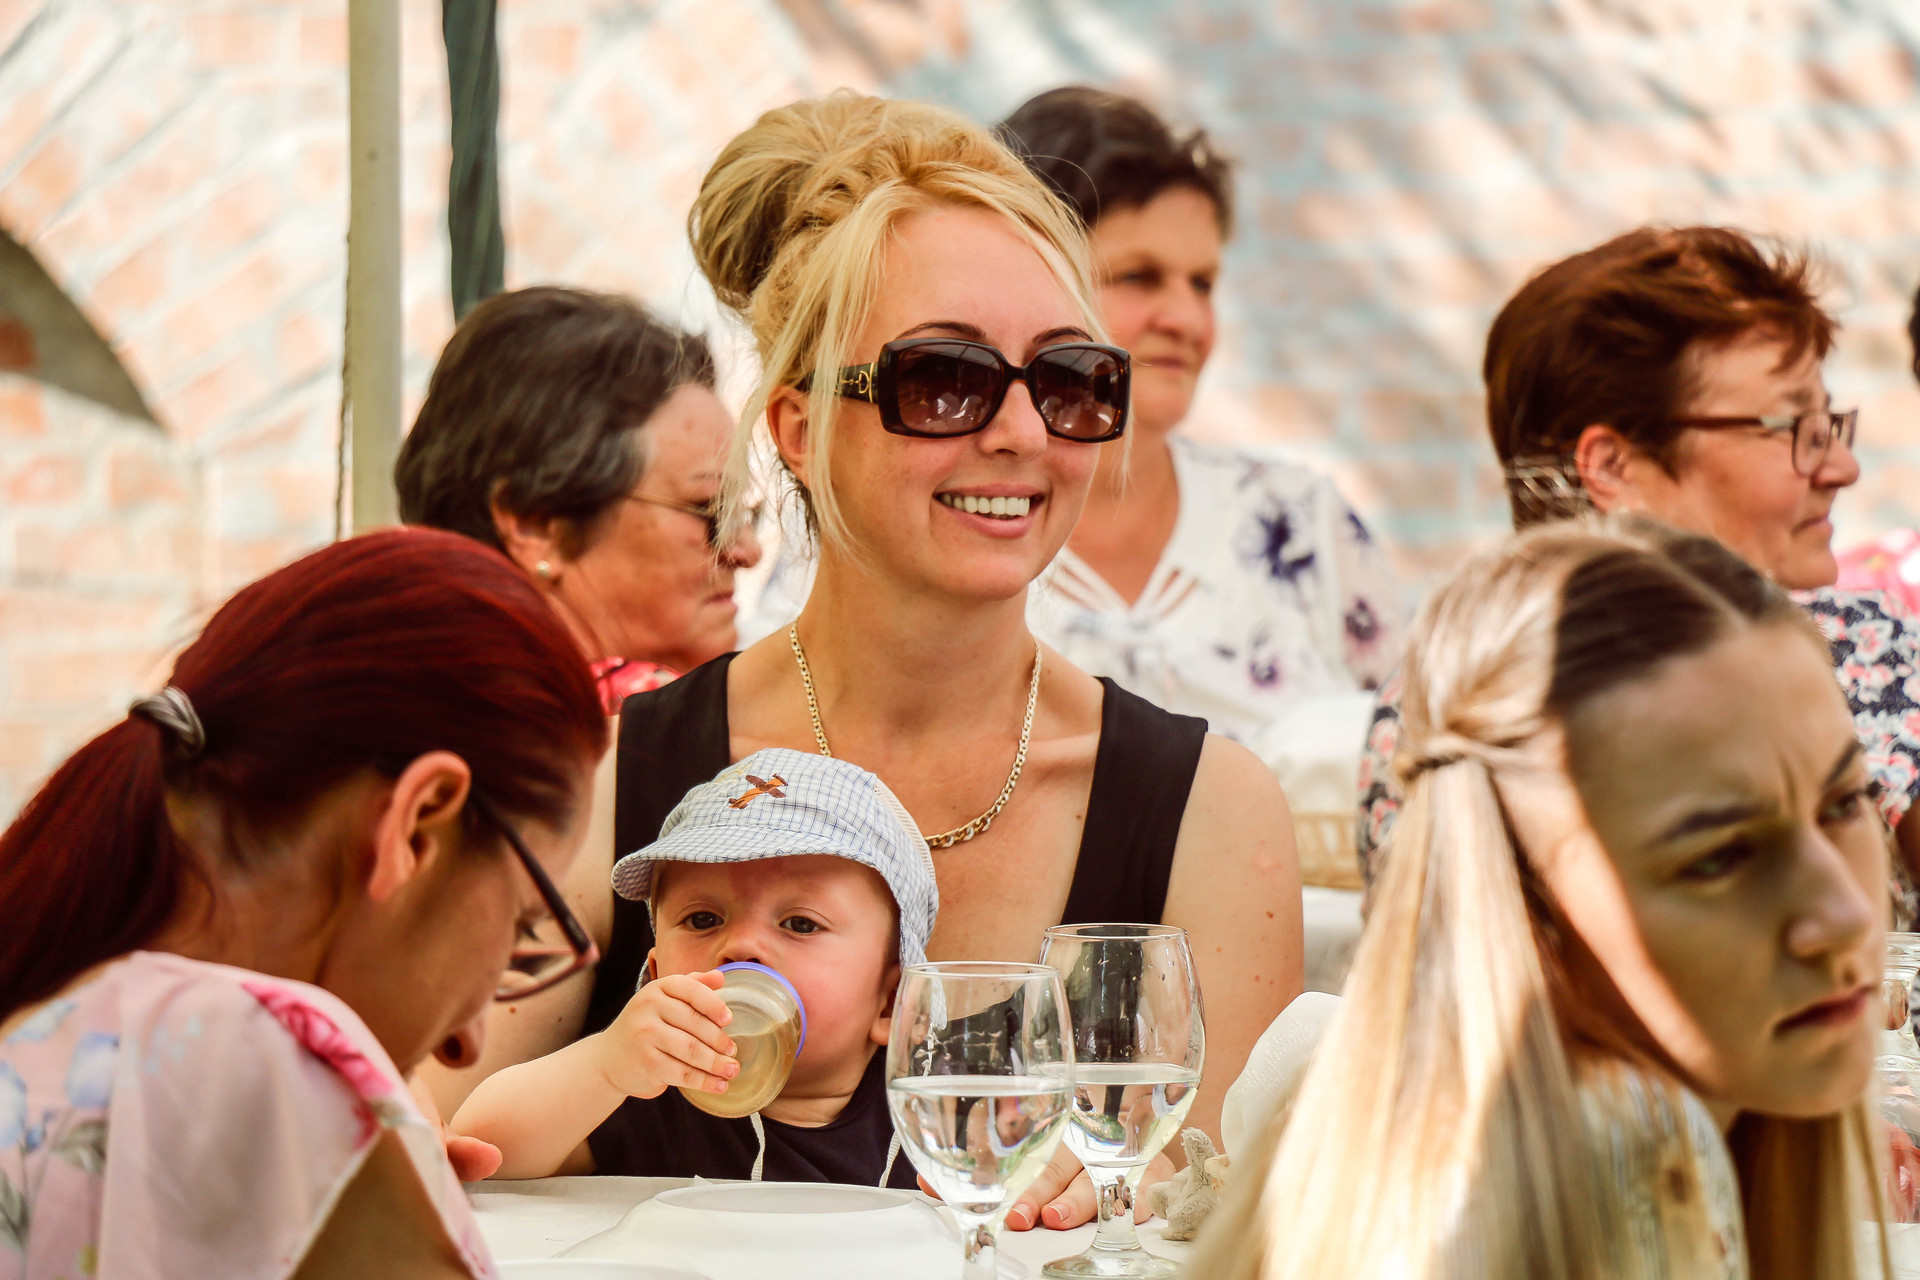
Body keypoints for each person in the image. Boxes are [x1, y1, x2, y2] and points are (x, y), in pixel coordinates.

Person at [462, 90, 1303, 1234]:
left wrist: (1151, 1191)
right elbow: (425, 1144)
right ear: (800, 428)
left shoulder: (1211, 812)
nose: (1022, 432)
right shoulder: (614, 779)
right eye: (944, 379)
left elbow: (1242, 1222)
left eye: (1069, 381)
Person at [1193, 518, 1890, 1280]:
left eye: (1844, 803)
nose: (1844, 915)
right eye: (1720, 857)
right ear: (1528, 907)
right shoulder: (1626, 1151)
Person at [0, 529, 606, 1279]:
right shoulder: (264, 1064)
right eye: (518, 925)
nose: (465, 1045)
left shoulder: (57, 1017)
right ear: (417, 825)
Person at [747, 88, 1408, 746]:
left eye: (1203, 283)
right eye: (1139, 276)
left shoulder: (1299, 522)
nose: (1186, 318)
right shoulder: (897, 549)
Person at [1357, 226, 1920, 922]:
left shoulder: (1863, 648)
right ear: (1613, 467)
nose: (1841, 467)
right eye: (1793, 427)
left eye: (1830, 424)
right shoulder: (1455, 707)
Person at [452, 749, 934, 1188]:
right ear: (655, 974)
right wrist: (604, 1066)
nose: (741, 945)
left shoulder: (934, 1118)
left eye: (800, 924)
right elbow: (483, 1150)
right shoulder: (648, 1093)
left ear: (893, 1003)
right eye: (703, 919)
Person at [395, 285, 764, 712]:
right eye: (709, 510)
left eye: (743, 513)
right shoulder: (629, 733)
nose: (747, 551)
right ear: (534, 526)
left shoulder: (414, 707)